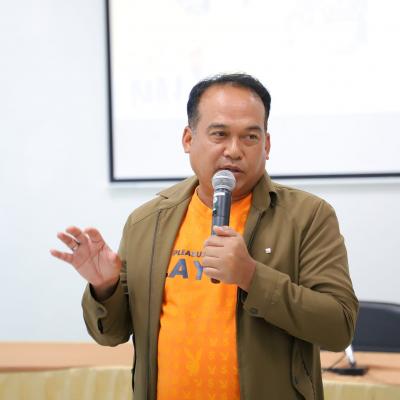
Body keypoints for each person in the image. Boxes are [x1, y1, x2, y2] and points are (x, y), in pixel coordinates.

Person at [51, 73, 358, 400]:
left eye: (250, 137)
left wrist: (251, 277)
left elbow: (338, 328)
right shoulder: (147, 221)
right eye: (219, 134)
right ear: (188, 139)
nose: (234, 150)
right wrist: (105, 288)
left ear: (266, 145)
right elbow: (111, 335)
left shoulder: (308, 217)